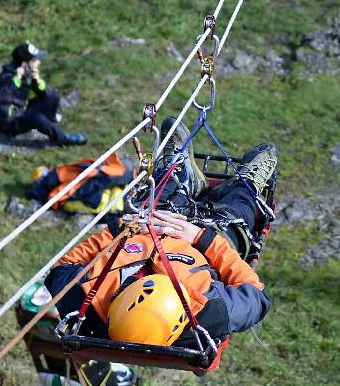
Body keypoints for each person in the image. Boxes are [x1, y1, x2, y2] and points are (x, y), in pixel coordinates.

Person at [45, 118, 275, 345]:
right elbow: (256, 295)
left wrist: (123, 228)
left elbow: (62, 266)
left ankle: (179, 173)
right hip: (210, 239)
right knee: (237, 211)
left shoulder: (83, 298)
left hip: (150, 224)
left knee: (163, 191)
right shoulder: (209, 311)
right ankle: (245, 184)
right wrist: (203, 238)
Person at [0, 42, 87, 146]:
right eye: (35, 61)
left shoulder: (27, 74)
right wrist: (17, 80)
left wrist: (38, 80)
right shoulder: (7, 77)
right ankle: (63, 138)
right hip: (11, 122)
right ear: (24, 64)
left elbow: (47, 94)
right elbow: (5, 100)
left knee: (53, 96)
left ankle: (47, 125)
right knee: (36, 117)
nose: (38, 63)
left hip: (23, 112)